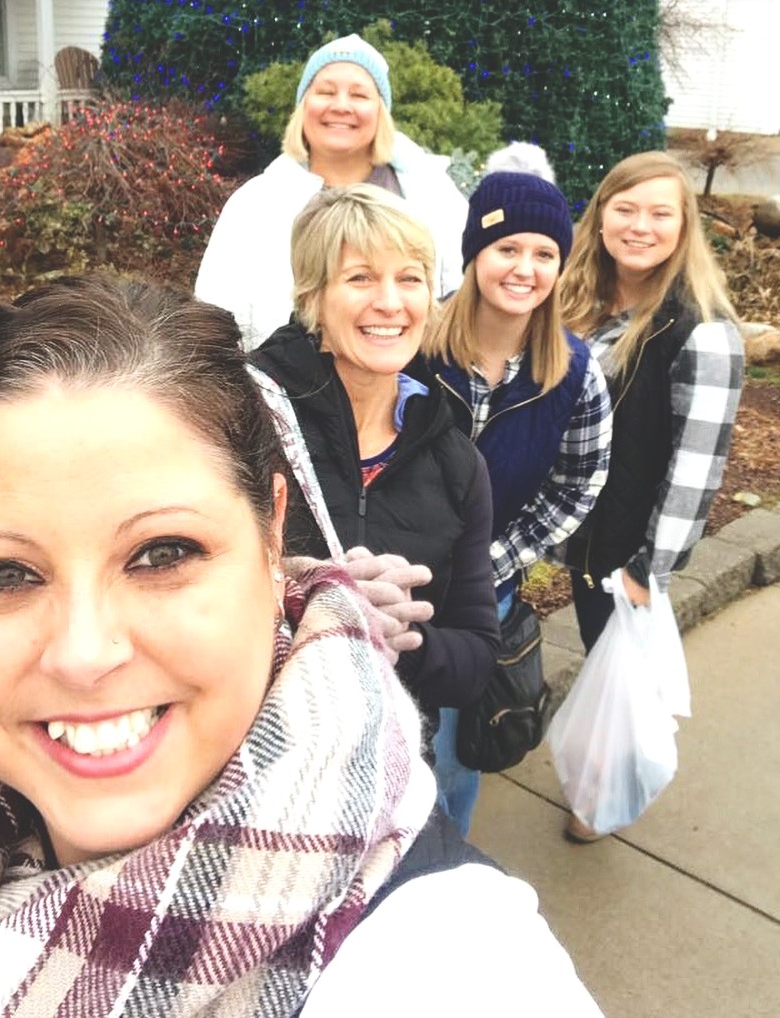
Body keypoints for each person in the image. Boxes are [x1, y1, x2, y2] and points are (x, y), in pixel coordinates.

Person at [0, 275, 603, 1015]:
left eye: (162, 553)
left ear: (271, 535)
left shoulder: (454, 966)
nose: (83, 653)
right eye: (3, 573)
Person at [251, 183, 499, 758]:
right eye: (360, 277)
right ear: (313, 295)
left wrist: (398, 638)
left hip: (391, 760)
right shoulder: (249, 421)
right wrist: (317, 606)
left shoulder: (456, 461)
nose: (391, 303)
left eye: (410, 278)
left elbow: (476, 657)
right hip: (259, 753)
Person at [558, 151, 744, 842]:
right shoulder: (577, 299)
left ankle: (603, 795)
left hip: (626, 539)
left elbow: (696, 464)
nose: (639, 226)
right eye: (625, 208)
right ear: (600, 215)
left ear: (682, 225)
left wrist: (649, 566)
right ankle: (596, 774)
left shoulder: (702, 330)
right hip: (576, 524)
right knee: (593, 647)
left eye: (659, 213)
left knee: (618, 670)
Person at [424, 166, 612, 835]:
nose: (523, 268)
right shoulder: (416, 347)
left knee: (451, 759)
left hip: (483, 595)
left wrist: (492, 561)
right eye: (506, 249)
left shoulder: (573, 373)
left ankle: (439, 876)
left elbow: (578, 483)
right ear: (475, 252)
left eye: (543, 254)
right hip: (395, 584)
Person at [195, 32, 468, 349]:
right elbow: (214, 316)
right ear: (303, 106)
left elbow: (463, 300)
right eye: (325, 92)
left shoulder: (432, 194)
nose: (341, 106)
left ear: (381, 111)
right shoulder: (255, 203)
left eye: (359, 95)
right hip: (277, 391)